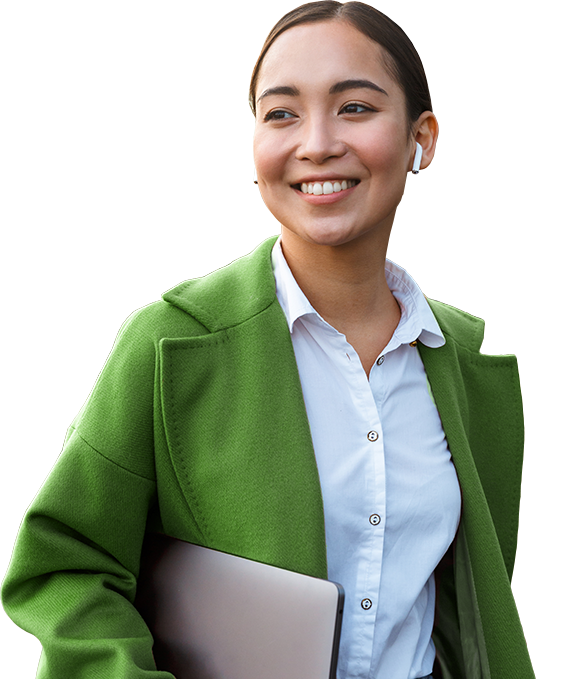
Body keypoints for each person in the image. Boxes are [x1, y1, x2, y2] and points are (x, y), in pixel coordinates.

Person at [1, 2, 535, 678]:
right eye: (281, 113)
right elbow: (65, 565)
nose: (315, 142)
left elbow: (469, 608)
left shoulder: (463, 365)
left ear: (420, 138)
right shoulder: (169, 344)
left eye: (356, 108)